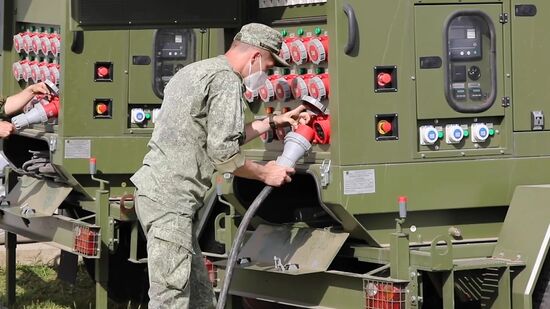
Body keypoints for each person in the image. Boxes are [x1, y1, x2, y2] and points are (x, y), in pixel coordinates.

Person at [131, 23, 309, 308]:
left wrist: (272, 121)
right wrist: (267, 173)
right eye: (268, 64)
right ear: (254, 57)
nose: (267, 73)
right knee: (170, 299)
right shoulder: (226, 81)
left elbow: (211, 133)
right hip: (171, 203)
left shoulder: (195, 71)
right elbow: (224, 154)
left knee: (200, 298)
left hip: (158, 194)